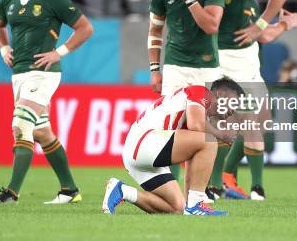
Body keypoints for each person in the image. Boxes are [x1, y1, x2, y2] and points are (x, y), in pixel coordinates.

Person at [0, 0, 94, 204]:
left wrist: (59, 52)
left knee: (21, 124)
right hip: (19, 74)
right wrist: (3, 47)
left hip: (43, 75)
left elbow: (85, 28)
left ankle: (11, 192)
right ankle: (69, 189)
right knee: (42, 133)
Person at [209, 0, 296, 201]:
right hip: (232, 69)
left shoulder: (251, 3)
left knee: (259, 122)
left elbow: (262, 33)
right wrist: (286, 25)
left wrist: (266, 24)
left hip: (250, 69)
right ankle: (224, 180)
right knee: (233, 124)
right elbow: (265, 35)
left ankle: (226, 174)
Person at [102, 77, 243, 215]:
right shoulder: (201, 92)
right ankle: (196, 205)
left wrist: (190, 203)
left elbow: (192, 164)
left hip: (138, 153)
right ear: (221, 94)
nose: (234, 110)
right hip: (145, 141)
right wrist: (222, 135)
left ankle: (123, 191)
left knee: (177, 208)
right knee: (209, 141)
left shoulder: (198, 113)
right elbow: (197, 124)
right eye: (234, 102)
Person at [147, 0, 225, 181]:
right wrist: (154, 69)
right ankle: (172, 191)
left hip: (206, 68)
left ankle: (197, 191)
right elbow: (155, 31)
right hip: (175, 68)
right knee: (170, 129)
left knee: (200, 132)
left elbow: (211, 26)